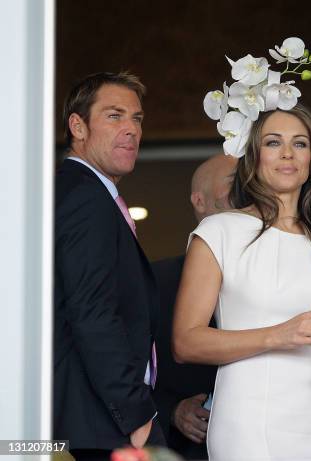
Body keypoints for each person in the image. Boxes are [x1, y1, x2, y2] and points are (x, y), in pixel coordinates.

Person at [173, 104, 311, 460]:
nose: (287, 154)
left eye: (300, 143)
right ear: (254, 156)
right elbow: (185, 342)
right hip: (247, 427)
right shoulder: (219, 232)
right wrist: (278, 334)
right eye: (273, 142)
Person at [54, 72, 164, 461]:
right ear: (77, 126)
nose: (131, 129)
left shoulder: (89, 194)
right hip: (100, 425)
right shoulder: (85, 196)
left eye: (137, 118)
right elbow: (92, 311)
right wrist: (137, 414)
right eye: (115, 116)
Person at [152, 154, 237, 459]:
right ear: (199, 202)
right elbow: (123, 369)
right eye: (234, 185)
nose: (247, 193)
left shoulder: (280, 278)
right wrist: (171, 410)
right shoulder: (155, 281)